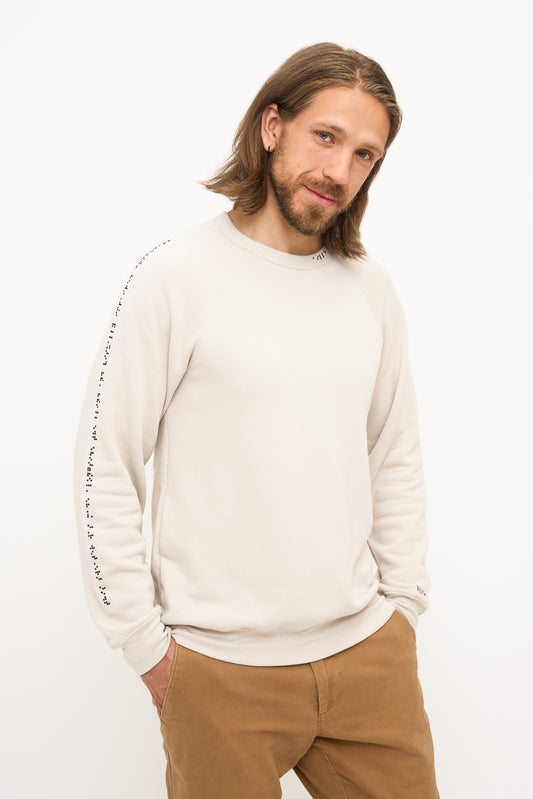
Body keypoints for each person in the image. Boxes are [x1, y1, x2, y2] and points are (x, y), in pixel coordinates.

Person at [73, 41, 440, 798]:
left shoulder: (369, 291)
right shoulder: (174, 278)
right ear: (272, 126)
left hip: (367, 658)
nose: (339, 171)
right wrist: (146, 647)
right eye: (326, 137)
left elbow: (394, 454)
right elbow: (106, 465)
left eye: (365, 154)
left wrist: (401, 608)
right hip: (219, 673)